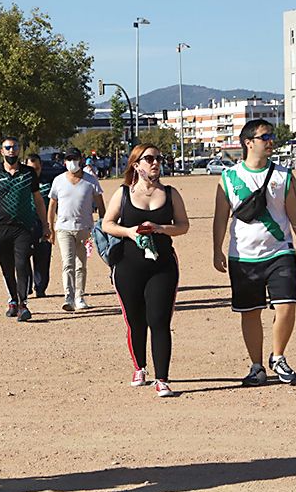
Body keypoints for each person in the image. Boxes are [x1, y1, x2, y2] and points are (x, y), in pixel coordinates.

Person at [212, 119, 296, 386]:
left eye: (272, 136)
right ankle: (256, 366)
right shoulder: (229, 177)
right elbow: (220, 218)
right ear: (248, 143)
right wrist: (216, 250)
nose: (270, 141)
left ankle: (278, 356)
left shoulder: (284, 176)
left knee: (287, 306)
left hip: (280, 252)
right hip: (243, 256)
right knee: (250, 312)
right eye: (264, 137)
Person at [102, 143, 190, 397]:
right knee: (135, 320)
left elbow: (183, 225)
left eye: (158, 158)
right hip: (128, 266)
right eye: (149, 158)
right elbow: (107, 223)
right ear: (136, 164)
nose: (155, 163)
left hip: (162, 265)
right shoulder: (123, 193)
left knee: (160, 320)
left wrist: (161, 228)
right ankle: (140, 366)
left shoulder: (171, 194)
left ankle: (162, 378)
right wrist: (129, 231)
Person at [0, 137, 50, 322]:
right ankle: (12, 300)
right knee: (7, 267)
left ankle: (22, 304)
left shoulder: (28, 173)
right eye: (8, 148)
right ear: (1, 151)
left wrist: (45, 225)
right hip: (2, 228)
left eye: (15, 147)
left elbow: (38, 200)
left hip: (23, 228)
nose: (12, 151)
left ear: (19, 150)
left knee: (21, 265)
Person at [48, 147, 105, 311]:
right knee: (68, 264)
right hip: (64, 229)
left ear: (81, 160)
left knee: (81, 265)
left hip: (85, 229)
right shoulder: (58, 180)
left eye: (75, 158)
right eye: (69, 159)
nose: (72, 162)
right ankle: (69, 297)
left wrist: (102, 226)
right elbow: (52, 205)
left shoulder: (91, 181)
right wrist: (50, 227)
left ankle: (80, 297)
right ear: (64, 162)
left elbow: (100, 205)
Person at [26, 153, 52, 298]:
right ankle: (26, 286)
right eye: (30, 168)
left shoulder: (47, 184)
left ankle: (40, 287)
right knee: (23, 257)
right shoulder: (21, 184)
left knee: (42, 258)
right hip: (25, 225)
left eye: (36, 168)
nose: (34, 171)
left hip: (42, 225)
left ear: (41, 167)